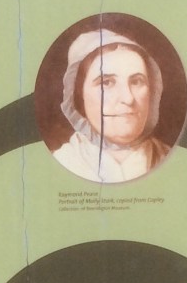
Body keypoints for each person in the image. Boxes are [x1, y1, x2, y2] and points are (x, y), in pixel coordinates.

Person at [53, 25, 171, 183]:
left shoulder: (174, 159)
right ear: (79, 93)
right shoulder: (60, 164)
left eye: (136, 81)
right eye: (106, 82)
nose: (128, 98)